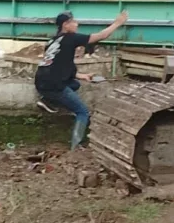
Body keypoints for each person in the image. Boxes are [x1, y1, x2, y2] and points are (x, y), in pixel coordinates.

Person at [35, 10, 129, 150]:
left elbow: (58, 64)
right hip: (54, 85)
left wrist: (81, 75)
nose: (77, 24)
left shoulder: (53, 41)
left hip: (42, 81)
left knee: (75, 84)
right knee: (82, 112)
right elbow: (101, 36)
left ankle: (46, 100)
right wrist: (117, 23)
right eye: (73, 22)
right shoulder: (71, 37)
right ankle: (76, 146)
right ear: (66, 25)